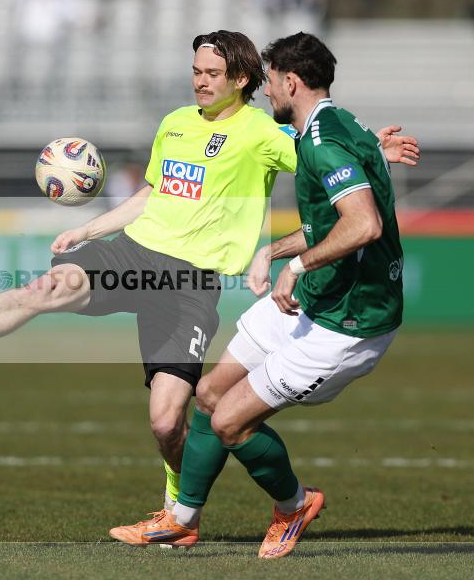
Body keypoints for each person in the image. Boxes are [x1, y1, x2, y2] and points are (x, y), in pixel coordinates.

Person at [0, 30, 418, 540]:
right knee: (46, 288)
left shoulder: (262, 132)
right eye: (196, 72)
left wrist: (374, 147)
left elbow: (322, 151)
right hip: (133, 253)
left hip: (188, 283)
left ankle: (179, 511)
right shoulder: (175, 124)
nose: (200, 83)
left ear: (242, 80)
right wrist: (90, 228)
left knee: (166, 422)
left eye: (211, 75)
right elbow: (154, 192)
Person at [120, 32, 409, 560]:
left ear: (290, 81)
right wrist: (274, 251)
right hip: (319, 300)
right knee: (207, 395)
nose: (266, 92)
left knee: (230, 420)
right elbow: (334, 219)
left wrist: (295, 265)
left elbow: (363, 224)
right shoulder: (340, 126)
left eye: (271, 81)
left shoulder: (323, 141)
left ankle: (294, 505)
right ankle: (182, 520)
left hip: (348, 323)